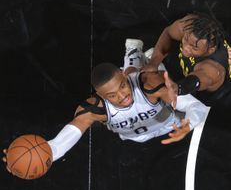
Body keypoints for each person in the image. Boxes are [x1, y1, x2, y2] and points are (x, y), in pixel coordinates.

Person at [3, 62, 209, 172]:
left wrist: (188, 124)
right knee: (136, 73)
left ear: (123, 78)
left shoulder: (150, 86)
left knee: (146, 71)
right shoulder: (94, 109)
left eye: (122, 86)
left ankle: (135, 62)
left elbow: (196, 106)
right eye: (113, 95)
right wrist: (39, 155)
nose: (123, 96)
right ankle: (133, 61)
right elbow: (59, 144)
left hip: (171, 123)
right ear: (101, 96)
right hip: (136, 138)